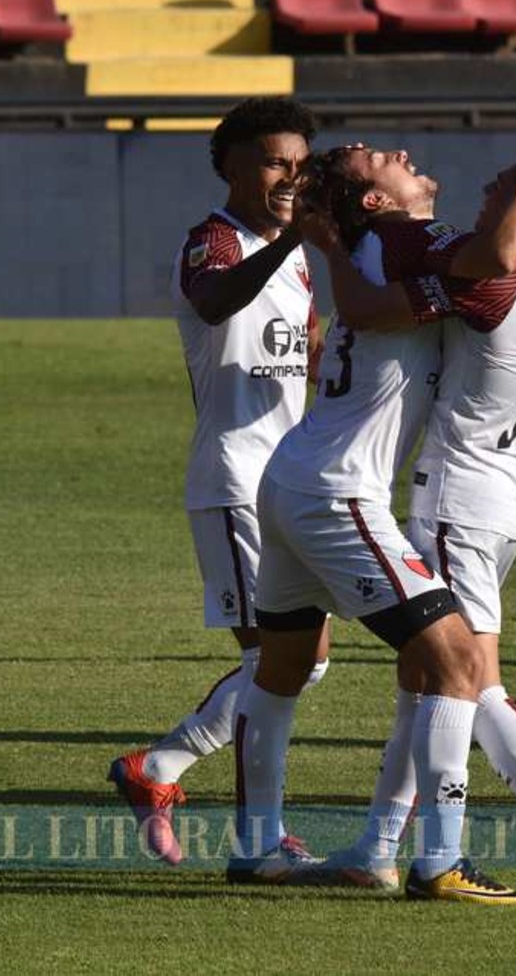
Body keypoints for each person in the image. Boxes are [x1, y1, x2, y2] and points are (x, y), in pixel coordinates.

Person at [230, 139, 516, 903]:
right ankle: (440, 861)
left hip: (293, 476)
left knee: (281, 671)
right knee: (457, 664)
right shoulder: (413, 238)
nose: (394, 150)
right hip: (337, 493)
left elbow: (456, 282)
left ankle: (256, 845)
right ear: (378, 201)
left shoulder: (380, 243)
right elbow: (498, 255)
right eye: (373, 158)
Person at [321, 150, 516, 903]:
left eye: (499, 189)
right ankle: (376, 844)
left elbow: (485, 262)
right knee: (424, 675)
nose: (486, 197)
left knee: (470, 682)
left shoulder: (496, 278)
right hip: (501, 488)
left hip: (458, 493)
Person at [107, 97, 327, 865]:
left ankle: (158, 768)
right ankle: (256, 835)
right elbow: (215, 299)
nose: (289, 177)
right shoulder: (212, 241)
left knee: (307, 658)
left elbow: (303, 344)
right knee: (272, 660)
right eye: (274, 161)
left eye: (300, 165)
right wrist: (292, 240)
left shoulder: (294, 252)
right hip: (233, 478)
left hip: (290, 481)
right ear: (230, 163)